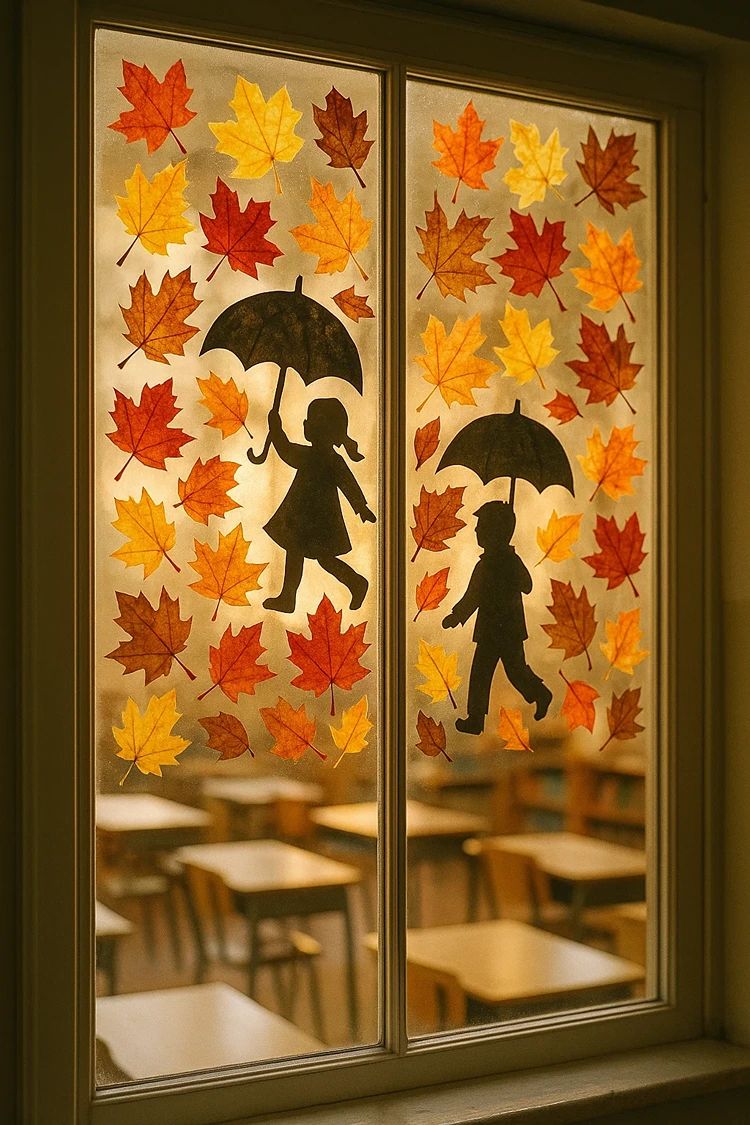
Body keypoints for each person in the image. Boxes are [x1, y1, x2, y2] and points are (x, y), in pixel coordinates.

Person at [442, 500, 552, 734]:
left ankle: (540, 693)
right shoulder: (485, 565)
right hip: (491, 630)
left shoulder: (508, 561)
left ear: (496, 531)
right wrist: (456, 616)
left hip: (508, 630)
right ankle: (475, 718)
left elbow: (527, 585)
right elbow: (473, 596)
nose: (476, 530)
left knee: (515, 672)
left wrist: (510, 569)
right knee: (481, 673)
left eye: (481, 525)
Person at [262, 398, 376, 613]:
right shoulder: (318, 456)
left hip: (317, 519)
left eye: (311, 421)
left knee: (320, 558)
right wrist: (275, 429)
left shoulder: (321, 458)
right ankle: (290, 597)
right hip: (306, 517)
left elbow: (347, 483)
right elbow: (286, 451)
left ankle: (355, 582)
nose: (306, 425)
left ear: (323, 429)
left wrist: (276, 429)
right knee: (303, 554)